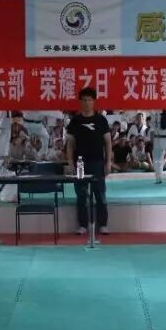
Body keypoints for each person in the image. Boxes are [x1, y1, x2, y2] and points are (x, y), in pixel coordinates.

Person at [65, 87, 114, 236]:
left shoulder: (101, 120)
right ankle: (82, 225)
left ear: (94, 102)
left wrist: (108, 163)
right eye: (84, 100)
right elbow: (70, 145)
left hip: (97, 162)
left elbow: (108, 143)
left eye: (90, 100)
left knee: (100, 194)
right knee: (81, 194)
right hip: (80, 164)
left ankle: (103, 224)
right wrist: (70, 163)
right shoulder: (75, 121)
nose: (87, 103)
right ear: (80, 102)